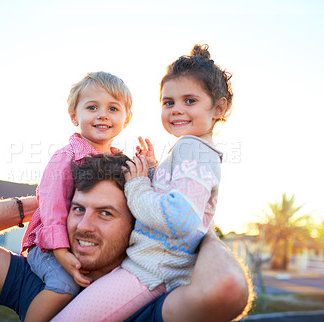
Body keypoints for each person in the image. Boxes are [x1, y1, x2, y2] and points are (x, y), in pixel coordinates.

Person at [0, 153, 250, 321]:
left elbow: (227, 289)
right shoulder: (41, 279)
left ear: (138, 224)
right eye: (78, 209)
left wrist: (194, 228)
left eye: (106, 213)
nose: (85, 226)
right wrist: (50, 202)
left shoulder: (151, 299)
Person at [52, 43, 235, 321]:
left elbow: (179, 217)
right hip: (152, 265)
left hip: (150, 271)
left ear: (218, 107)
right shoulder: (198, 152)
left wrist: (137, 185)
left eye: (190, 101)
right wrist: (151, 170)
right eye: (168, 102)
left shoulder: (190, 147)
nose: (176, 109)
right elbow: (176, 198)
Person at [21, 71, 132, 321]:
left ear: (127, 118)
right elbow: (52, 210)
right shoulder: (66, 157)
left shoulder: (119, 162)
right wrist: (61, 252)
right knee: (65, 287)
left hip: (85, 245)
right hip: (49, 247)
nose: (103, 114)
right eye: (92, 107)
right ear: (74, 116)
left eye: (113, 108)